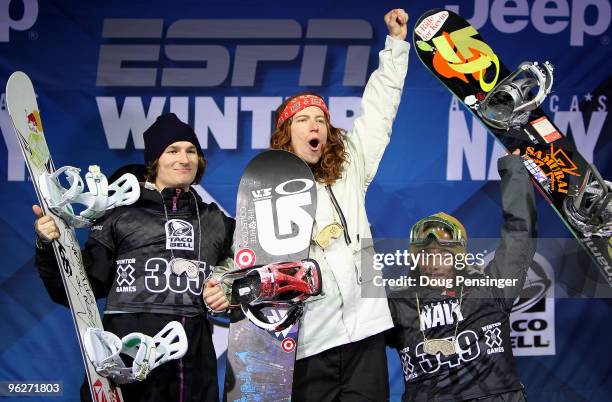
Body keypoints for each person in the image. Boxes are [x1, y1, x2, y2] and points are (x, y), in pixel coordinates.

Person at [205, 8, 410, 401]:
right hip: (306, 343)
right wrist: (225, 286)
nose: (314, 125)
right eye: (303, 120)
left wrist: (396, 46)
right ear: (286, 133)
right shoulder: (266, 188)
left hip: (366, 333)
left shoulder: (350, 169)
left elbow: (380, 111)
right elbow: (248, 257)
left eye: (320, 118)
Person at [33, 113, 234, 402]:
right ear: (154, 161)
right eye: (172, 151)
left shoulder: (216, 221)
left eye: (191, 151)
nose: (184, 158)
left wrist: (226, 288)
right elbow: (81, 289)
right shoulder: (119, 215)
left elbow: (245, 269)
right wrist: (49, 247)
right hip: (126, 361)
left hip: (193, 371)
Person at [386, 151, 537, 402]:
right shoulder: (397, 304)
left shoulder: (491, 288)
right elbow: (354, 341)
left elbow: (520, 236)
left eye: (442, 253)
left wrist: (514, 171)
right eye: (425, 253)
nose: (432, 261)